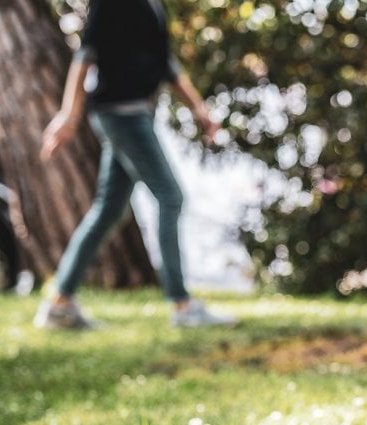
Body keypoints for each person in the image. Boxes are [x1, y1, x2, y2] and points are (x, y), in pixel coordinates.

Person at [35, 0, 236, 329]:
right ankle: (183, 307)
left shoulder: (152, 5)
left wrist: (200, 111)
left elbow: (166, 65)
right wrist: (69, 115)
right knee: (170, 196)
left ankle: (60, 304)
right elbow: (85, 55)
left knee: (109, 209)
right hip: (122, 114)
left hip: (135, 113)